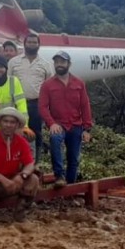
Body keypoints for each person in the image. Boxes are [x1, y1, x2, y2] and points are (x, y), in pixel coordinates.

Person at [39, 51, 93, 187]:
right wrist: (51, 123)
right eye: (57, 62)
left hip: (75, 125)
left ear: (69, 64)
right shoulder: (47, 85)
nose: (59, 65)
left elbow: (85, 105)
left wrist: (87, 129)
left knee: (73, 158)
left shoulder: (79, 83)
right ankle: (59, 176)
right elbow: (43, 107)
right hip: (58, 124)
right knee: (55, 140)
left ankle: (70, 187)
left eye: (62, 62)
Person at [8, 33, 54, 158]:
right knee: (13, 131)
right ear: (24, 44)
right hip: (16, 103)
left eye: (35, 42)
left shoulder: (45, 64)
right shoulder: (13, 62)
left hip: (36, 104)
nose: (32, 44)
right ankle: (15, 159)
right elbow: (8, 82)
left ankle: (35, 161)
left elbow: (48, 86)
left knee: (35, 133)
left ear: (39, 45)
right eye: (29, 42)